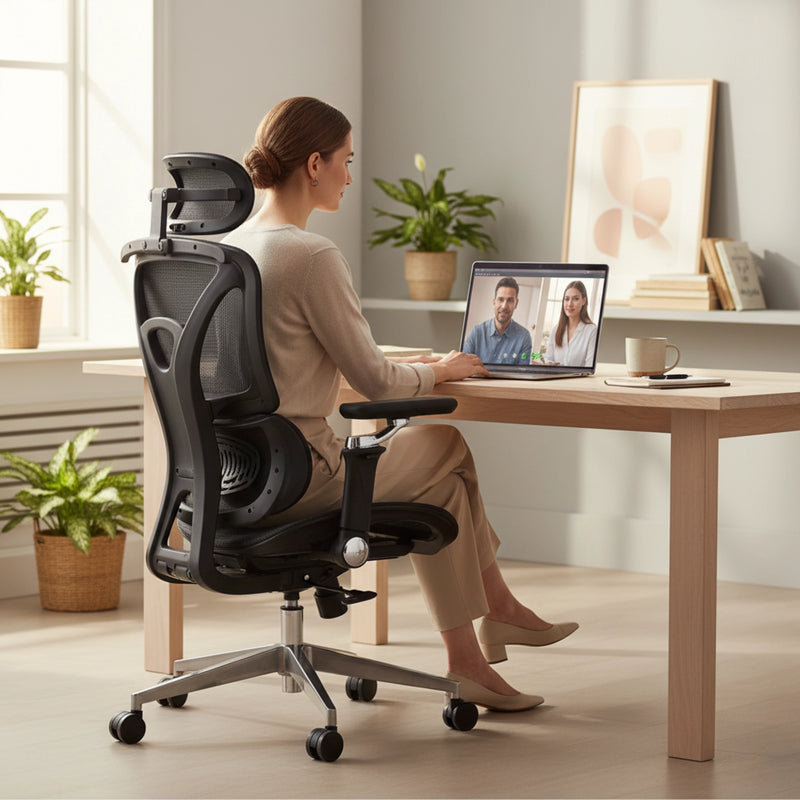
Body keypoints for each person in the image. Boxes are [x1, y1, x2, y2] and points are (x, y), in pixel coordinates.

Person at [223, 97, 577, 712]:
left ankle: (476, 651)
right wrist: (436, 370)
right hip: (304, 478)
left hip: (234, 480)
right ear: (314, 165)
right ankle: (493, 617)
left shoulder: (228, 252)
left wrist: (394, 360)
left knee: (441, 487)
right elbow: (376, 381)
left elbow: (286, 353)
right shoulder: (310, 256)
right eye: (346, 161)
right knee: (444, 445)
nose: (350, 176)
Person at [463, 277, 532, 365]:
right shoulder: (477, 332)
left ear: (516, 304)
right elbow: (464, 366)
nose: (504, 306)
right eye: (500, 299)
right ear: (494, 302)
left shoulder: (524, 337)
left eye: (510, 300)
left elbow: (523, 374)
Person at [542, 281, 597, 367]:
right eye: (567, 299)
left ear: (584, 301)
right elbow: (549, 358)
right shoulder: (556, 329)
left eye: (575, 299)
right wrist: (543, 363)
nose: (569, 304)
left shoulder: (591, 330)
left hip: (578, 380)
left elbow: (589, 366)